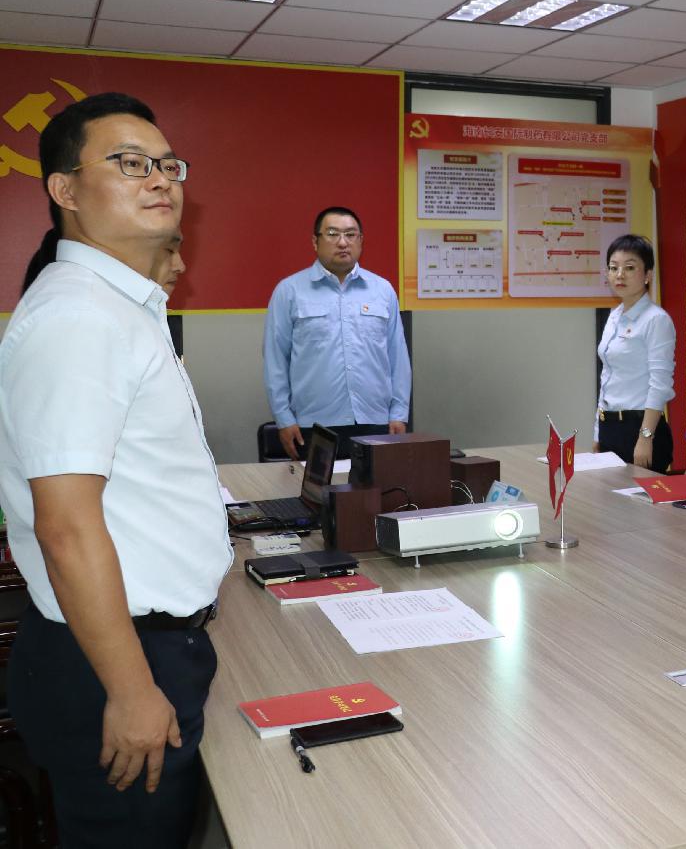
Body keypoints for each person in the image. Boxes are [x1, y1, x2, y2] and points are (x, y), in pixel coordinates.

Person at [0, 92, 230, 848]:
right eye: (129, 163)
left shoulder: (119, 307)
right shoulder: (79, 317)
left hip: (137, 644)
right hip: (113, 660)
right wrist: (132, 690)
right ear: (64, 190)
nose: (159, 178)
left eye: (167, 164)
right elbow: (66, 528)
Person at [262, 207, 411, 460]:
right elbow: (275, 360)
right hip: (314, 425)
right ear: (315, 241)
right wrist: (284, 418)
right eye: (332, 234)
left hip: (376, 421)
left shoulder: (382, 290)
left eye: (350, 235)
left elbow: (398, 358)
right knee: (317, 487)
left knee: (378, 487)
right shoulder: (289, 291)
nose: (343, 242)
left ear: (361, 241)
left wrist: (399, 413)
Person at [596, 234, 676, 472]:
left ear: (648, 275)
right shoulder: (614, 316)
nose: (620, 274)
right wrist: (597, 433)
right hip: (610, 427)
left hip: (640, 429)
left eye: (630, 268)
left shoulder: (656, 320)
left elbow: (660, 384)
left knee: (640, 496)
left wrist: (646, 437)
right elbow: (607, 377)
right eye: (614, 268)